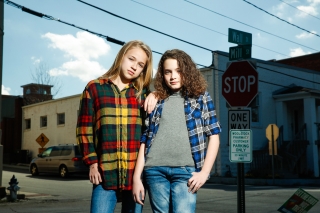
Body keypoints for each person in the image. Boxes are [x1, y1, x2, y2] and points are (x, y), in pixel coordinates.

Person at [133, 49, 221, 213]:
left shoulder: (201, 97)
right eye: (168, 72)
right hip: (154, 170)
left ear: (187, 71)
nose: (173, 76)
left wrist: (204, 173)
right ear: (162, 74)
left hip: (186, 170)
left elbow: (214, 136)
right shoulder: (156, 100)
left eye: (178, 71)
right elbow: (145, 140)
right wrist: (137, 178)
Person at [76, 40, 157, 213]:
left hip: (135, 175)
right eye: (131, 59)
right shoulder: (95, 88)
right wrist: (92, 162)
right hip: (105, 173)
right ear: (121, 57)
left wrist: (156, 93)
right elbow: (84, 130)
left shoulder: (143, 94)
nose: (134, 66)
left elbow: (149, 132)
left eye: (140, 64)